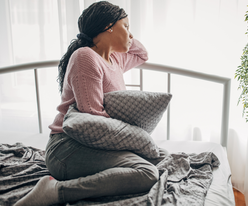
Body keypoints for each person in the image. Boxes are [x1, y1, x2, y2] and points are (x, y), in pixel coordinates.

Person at [14, 1, 168, 206]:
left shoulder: (114, 58)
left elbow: (142, 55)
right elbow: (92, 116)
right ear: (108, 27)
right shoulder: (85, 57)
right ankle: (56, 190)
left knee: (159, 157)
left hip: (93, 141)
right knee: (147, 172)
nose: (131, 35)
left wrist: (123, 31)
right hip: (67, 147)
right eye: (126, 27)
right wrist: (134, 140)